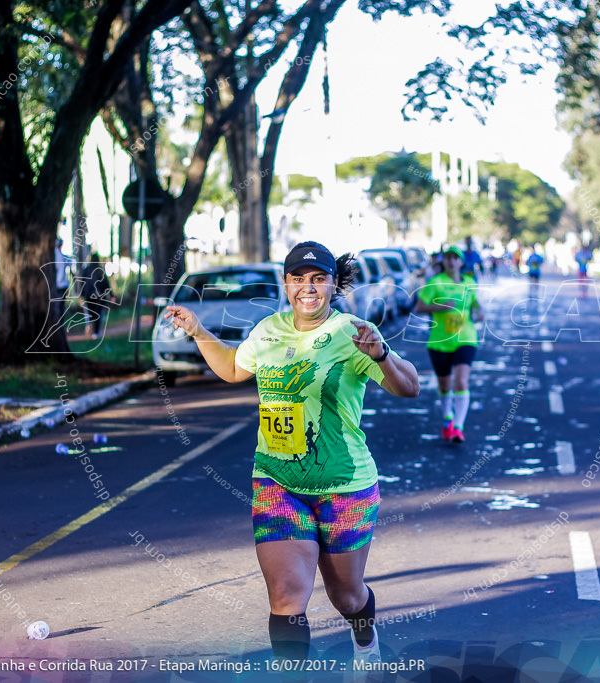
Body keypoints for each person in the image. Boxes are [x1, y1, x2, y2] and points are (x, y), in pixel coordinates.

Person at [164, 241, 420, 670]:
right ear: (286, 283)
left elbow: (409, 386)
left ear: (332, 284)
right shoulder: (268, 330)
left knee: (347, 595)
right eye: (298, 279)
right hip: (278, 482)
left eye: (318, 279)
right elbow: (231, 369)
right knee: (286, 595)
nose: (308, 288)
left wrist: (382, 354)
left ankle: (365, 638)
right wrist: (196, 330)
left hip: (345, 486)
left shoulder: (352, 332)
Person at [415, 245, 484, 444]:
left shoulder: (470, 283)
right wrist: (440, 306)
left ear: (461, 262)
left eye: (456, 258)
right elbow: (419, 307)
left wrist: (480, 313)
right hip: (439, 341)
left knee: (461, 381)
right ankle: (448, 418)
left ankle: (459, 427)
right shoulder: (435, 283)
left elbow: (477, 306)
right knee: (445, 385)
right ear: (443, 261)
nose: (452, 261)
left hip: (466, 338)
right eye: (448, 258)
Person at [81, 252, 115, 338]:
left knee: (90, 313)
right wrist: (111, 295)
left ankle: (89, 327)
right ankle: (96, 332)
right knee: (98, 314)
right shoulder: (100, 270)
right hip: (99, 297)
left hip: (88, 295)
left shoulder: (86, 270)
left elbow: (82, 283)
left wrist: (82, 294)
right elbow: (106, 284)